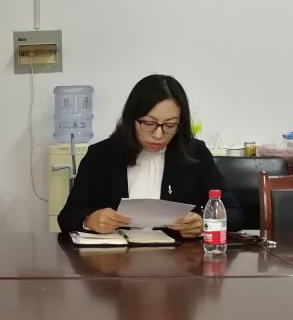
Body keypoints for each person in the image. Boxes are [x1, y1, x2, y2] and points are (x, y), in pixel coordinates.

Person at [57, 74, 241, 237]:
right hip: (114, 260)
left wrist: (203, 222)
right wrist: (89, 220)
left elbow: (235, 214)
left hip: (178, 260)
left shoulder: (195, 153)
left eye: (170, 125)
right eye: (149, 123)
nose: (158, 134)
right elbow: (66, 217)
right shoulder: (100, 155)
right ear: (131, 118)